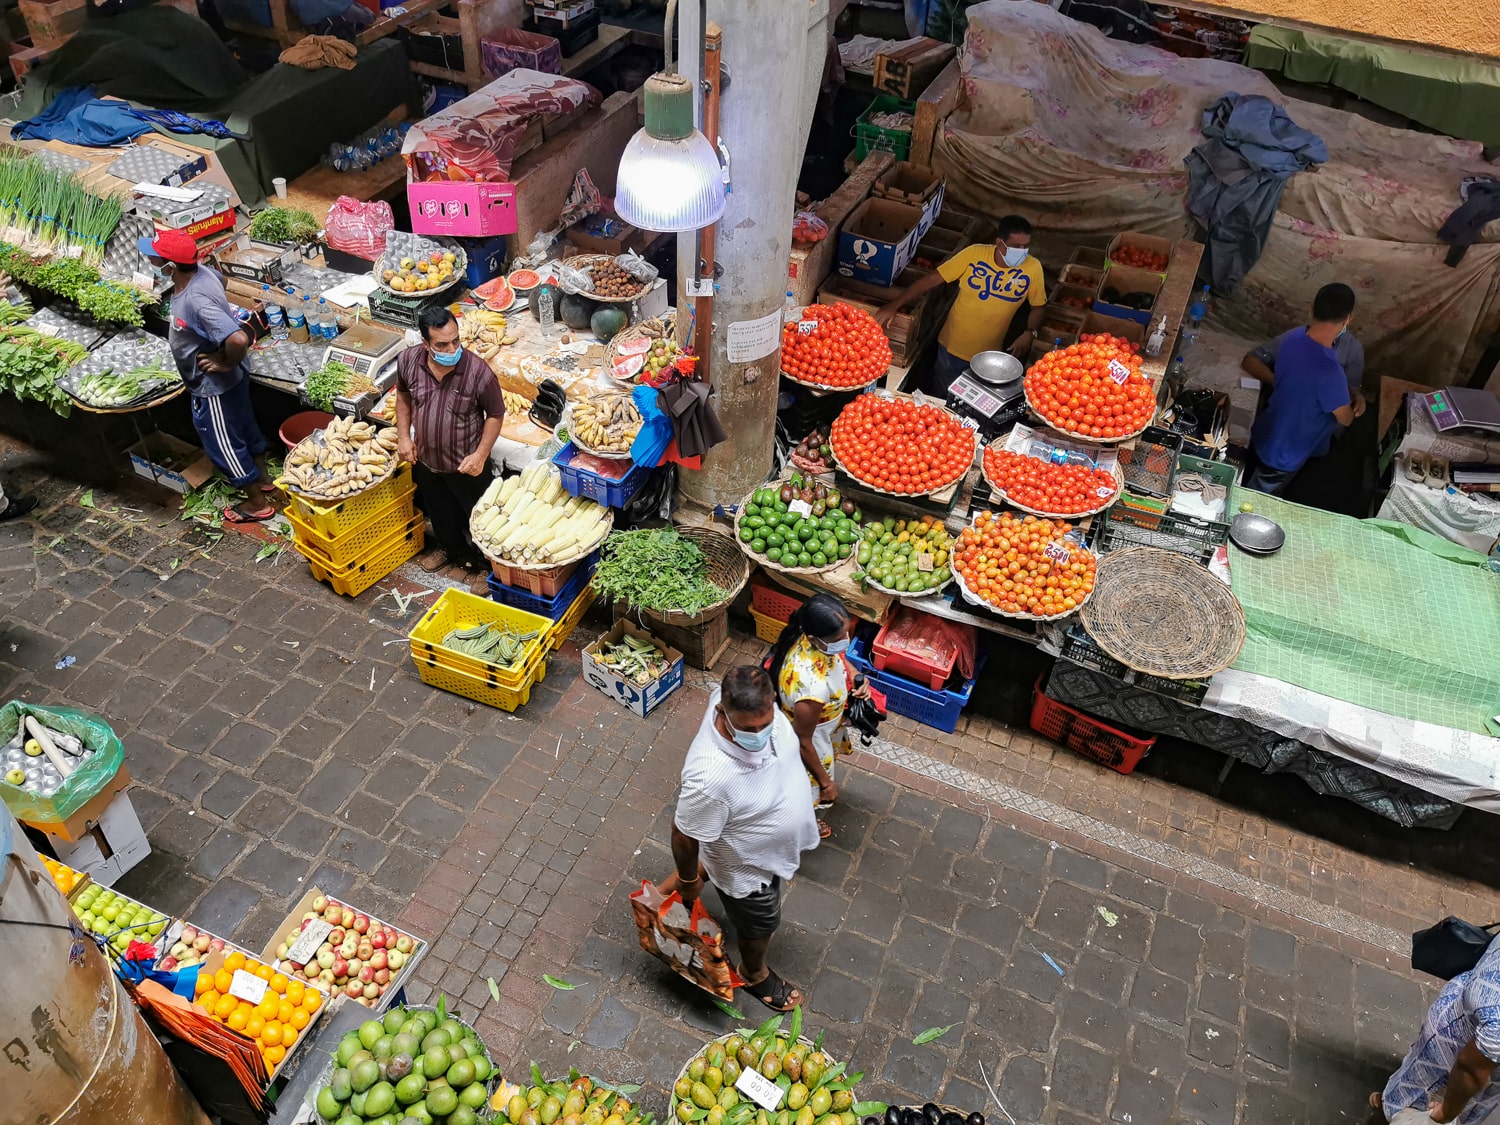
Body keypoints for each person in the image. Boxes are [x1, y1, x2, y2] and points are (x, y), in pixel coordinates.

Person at [666, 666, 820, 1012]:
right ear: (722, 712)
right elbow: (684, 833)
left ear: (772, 701)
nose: (760, 734)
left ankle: (685, 879)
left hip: (763, 845)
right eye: (749, 729)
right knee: (762, 921)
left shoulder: (752, 703)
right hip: (746, 868)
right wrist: (689, 880)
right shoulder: (709, 777)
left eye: (766, 724)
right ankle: (753, 973)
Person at [141, 229, 272, 523]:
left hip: (213, 386)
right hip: (233, 380)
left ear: (170, 267)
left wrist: (224, 362)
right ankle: (263, 477)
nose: (148, 256)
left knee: (223, 443)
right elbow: (222, 281)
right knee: (244, 426)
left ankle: (257, 503)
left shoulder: (196, 300)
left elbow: (237, 340)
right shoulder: (203, 273)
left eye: (154, 255)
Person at [395, 306, 505, 590]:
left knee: (480, 519)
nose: (452, 348)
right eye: (442, 344)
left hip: (467, 466)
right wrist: (404, 437)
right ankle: (450, 549)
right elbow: (404, 397)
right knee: (439, 510)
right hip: (427, 460)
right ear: (425, 344)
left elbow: (495, 415)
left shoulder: (478, 372)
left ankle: (488, 566)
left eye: (455, 340)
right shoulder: (408, 361)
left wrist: (481, 455)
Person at [876, 215, 1047, 396]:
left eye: (1025, 246)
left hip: (989, 359)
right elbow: (933, 279)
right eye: (1016, 247)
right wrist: (895, 304)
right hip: (952, 349)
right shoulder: (974, 254)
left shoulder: (1033, 268)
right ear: (999, 243)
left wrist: (1030, 332)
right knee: (942, 398)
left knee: (973, 404)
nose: (1021, 252)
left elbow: (1039, 306)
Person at [1244, 282, 1364, 496]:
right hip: (1286, 452)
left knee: (1249, 473)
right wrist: (1351, 401)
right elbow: (1345, 418)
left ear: (1311, 309)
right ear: (1348, 320)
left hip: (1268, 429)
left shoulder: (1293, 338)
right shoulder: (1330, 371)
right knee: (1253, 499)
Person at [767, 593, 870, 841]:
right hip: (812, 743)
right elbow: (803, 741)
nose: (845, 641)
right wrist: (825, 783)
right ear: (816, 639)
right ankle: (802, 824)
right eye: (839, 638)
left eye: (846, 634)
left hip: (823, 730)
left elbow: (838, 658)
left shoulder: (807, 639)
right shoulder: (811, 689)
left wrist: (855, 676)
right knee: (804, 789)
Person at [1367, 935, 1500, 1124]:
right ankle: (1388, 1112)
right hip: (1455, 1058)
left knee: (1409, 1086)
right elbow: (1471, 1069)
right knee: (1414, 1111)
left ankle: (1387, 1103)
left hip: (1454, 1013)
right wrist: (1445, 1113)